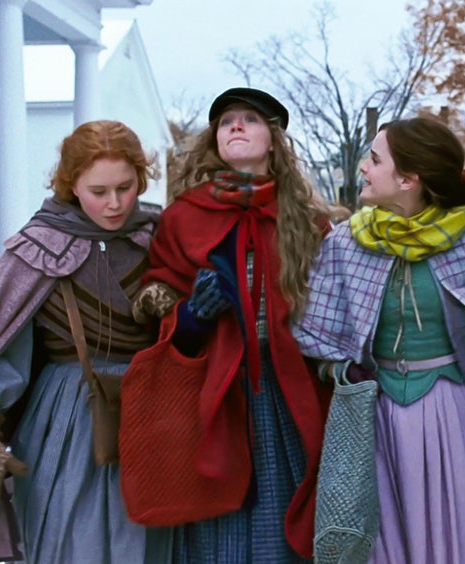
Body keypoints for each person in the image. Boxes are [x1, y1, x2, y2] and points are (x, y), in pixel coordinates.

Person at [293, 117, 465, 564]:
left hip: (456, 415)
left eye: (375, 160)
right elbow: (317, 334)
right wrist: (341, 369)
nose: (364, 170)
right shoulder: (346, 245)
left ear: (409, 178)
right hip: (377, 423)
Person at [0, 120, 160, 562]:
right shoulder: (36, 249)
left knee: (149, 540)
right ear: (70, 184)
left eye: (126, 187)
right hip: (65, 420)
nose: (115, 203)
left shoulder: (162, 238)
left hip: (152, 410)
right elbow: (7, 351)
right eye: (98, 191)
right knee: (67, 541)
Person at [128, 87, 332, 562]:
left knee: (285, 526)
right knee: (219, 534)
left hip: (288, 393)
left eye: (249, 119)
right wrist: (194, 317)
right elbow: (160, 310)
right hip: (215, 395)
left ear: (275, 140)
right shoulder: (183, 217)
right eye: (225, 121)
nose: (235, 126)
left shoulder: (306, 220)